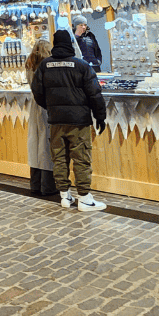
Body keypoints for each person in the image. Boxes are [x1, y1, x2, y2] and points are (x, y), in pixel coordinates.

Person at [31, 30, 108, 212]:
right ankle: (84, 199)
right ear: (70, 44)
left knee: (59, 159)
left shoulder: (44, 66)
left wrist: (51, 107)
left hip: (56, 121)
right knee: (81, 158)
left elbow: (37, 93)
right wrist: (100, 116)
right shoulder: (81, 65)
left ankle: (65, 196)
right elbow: (95, 94)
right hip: (79, 121)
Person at [24, 40, 57, 196]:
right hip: (46, 105)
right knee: (46, 144)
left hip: (34, 105)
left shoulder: (29, 63)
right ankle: (47, 185)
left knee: (35, 144)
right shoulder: (48, 65)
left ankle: (35, 184)